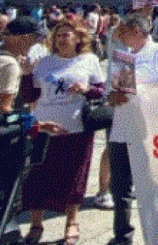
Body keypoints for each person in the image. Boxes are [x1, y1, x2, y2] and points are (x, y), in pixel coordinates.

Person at [19, 20, 105, 245]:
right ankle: (36, 225)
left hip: (76, 130)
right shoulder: (43, 63)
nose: (61, 40)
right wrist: (27, 74)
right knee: (36, 178)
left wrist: (88, 90)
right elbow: (29, 97)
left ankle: (71, 224)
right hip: (43, 130)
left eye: (66, 35)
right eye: (58, 36)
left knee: (73, 178)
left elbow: (102, 92)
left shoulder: (89, 60)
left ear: (78, 38)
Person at [106, 13, 158, 245]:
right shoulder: (121, 55)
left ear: (136, 31)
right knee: (119, 187)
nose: (120, 35)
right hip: (121, 128)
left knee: (153, 186)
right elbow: (108, 89)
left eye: (123, 31)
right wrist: (113, 96)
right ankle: (122, 236)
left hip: (149, 130)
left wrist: (138, 91)